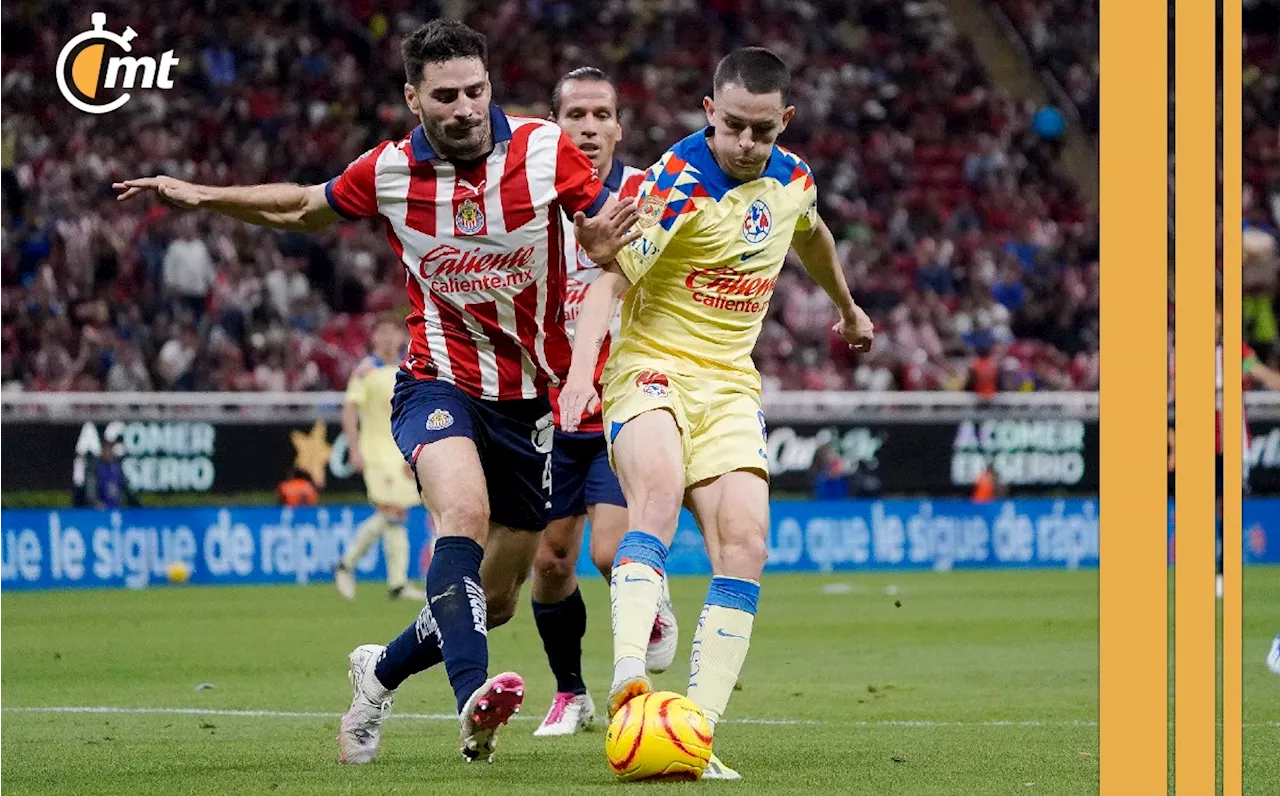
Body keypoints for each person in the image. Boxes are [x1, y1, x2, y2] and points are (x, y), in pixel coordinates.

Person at [114, 19, 639, 765]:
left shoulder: (543, 149)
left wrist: (596, 242)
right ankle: (473, 705)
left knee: (493, 600)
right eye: (445, 95)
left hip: (533, 400)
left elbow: (597, 235)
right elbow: (301, 206)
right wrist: (198, 196)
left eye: (475, 90)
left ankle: (377, 674)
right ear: (413, 98)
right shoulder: (389, 171)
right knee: (461, 513)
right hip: (440, 378)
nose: (463, 107)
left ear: (490, 85)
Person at [558, 47, 874, 780]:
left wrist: (849, 308)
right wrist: (580, 377)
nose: (745, 143)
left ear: (783, 122)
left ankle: (695, 729)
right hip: (652, 369)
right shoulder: (674, 184)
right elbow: (609, 279)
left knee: (747, 543)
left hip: (730, 383)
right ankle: (629, 679)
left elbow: (813, 235)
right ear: (710, 112)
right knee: (659, 495)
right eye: (732, 125)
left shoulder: (792, 180)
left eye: (761, 130)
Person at [528, 67, 677, 738]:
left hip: (623, 397)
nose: (588, 126)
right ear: (555, 124)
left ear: (619, 126)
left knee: (611, 553)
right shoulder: (527, 200)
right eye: (575, 114)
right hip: (547, 406)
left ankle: (651, 594)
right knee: (551, 559)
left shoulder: (648, 193)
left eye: (600, 114)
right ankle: (570, 693)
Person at [334, 313, 426, 603]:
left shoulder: (408, 368)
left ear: (402, 337)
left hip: (400, 452)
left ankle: (397, 584)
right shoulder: (365, 370)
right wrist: (354, 448)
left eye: (393, 332)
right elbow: (349, 409)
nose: (387, 338)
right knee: (391, 510)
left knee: (397, 514)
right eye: (382, 332)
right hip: (374, 451)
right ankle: (346, 565)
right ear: (373, 338)